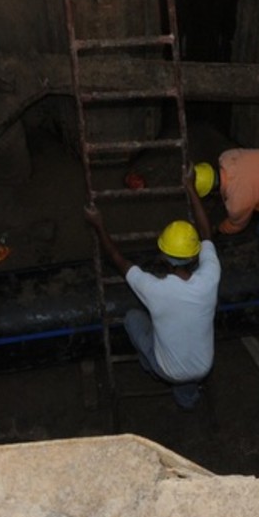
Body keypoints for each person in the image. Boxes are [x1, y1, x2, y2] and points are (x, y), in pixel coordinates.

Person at [83, 171, 220, 410]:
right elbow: (207, 234)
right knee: (185, 368)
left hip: (169, 371)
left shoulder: (155, 289)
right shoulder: (210, 276)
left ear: (164, 256)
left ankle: (150, 366)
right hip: (203, 367)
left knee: (133, 318)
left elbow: (118, 260)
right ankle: (187, 399)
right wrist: (190, 187)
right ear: (195, 254)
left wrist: (99, 225)